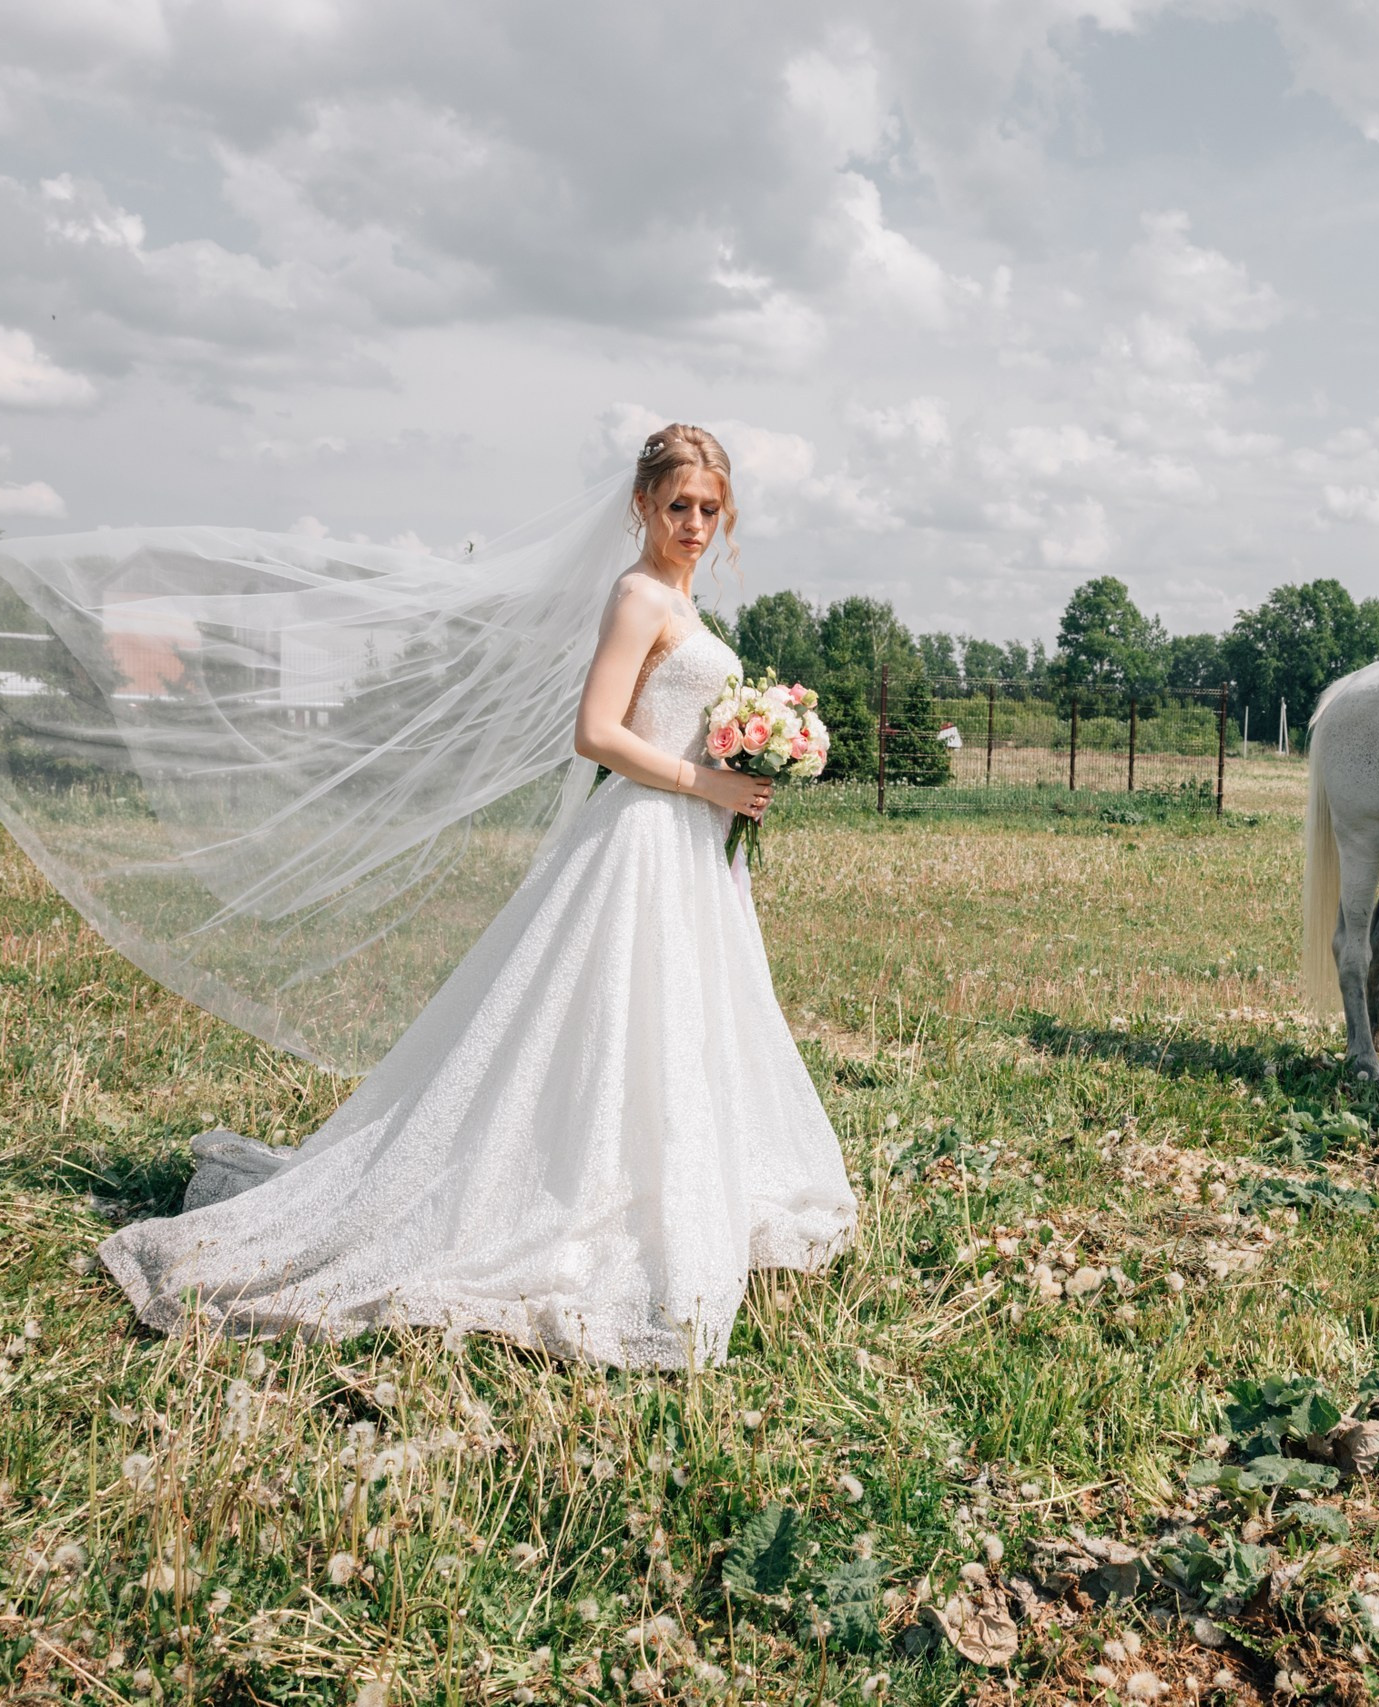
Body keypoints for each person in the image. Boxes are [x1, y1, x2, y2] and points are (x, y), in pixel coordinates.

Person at [93, 426, 857, 1368]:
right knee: (613, 1015)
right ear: (642, 506)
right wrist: (707, 782)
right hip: (645, 833)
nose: (694, 524)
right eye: (677, 506)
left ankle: (659, 1179)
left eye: (709, 508)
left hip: (692, 845)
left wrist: (749, 757)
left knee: (675, 1021)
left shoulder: (683, 602)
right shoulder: (637, 595)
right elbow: (595, 732)